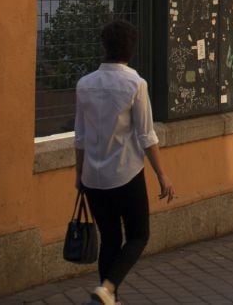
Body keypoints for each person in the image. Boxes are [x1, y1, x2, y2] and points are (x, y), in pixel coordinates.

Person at [75, 20, 175, 305]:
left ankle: (108, 297)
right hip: (126, 174)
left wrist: (78, 173)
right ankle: (108, 288)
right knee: (139, 235)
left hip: (93, 176)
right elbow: (146, 136)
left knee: (109, 238)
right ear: (131, 50)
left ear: (104, 47)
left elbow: (79, 136)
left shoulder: (84, 85)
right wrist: (162, 175)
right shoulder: (135, 84)